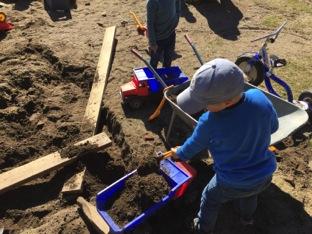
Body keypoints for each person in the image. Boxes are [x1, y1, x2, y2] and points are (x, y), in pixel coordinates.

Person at [171, 58, 279, 233]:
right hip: (264, 175)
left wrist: (179, 154)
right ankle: (247, 219)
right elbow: (273, 127)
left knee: (210, 198)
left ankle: (202, 228)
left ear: (226, 102)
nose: (203, 108)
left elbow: (192, 147)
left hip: (231, 182)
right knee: (250, 194)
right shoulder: (259, 97)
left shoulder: (208, 122)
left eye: (206, 104)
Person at [146, 0, 181, 69]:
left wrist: (177, 17)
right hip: (158, 38)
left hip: (171, 33)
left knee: (168, 58)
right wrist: (152, 43)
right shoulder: (153, 3)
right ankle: (153, 75)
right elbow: (150, 23)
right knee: (154, 61)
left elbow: (177, 3)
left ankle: (166, 76)